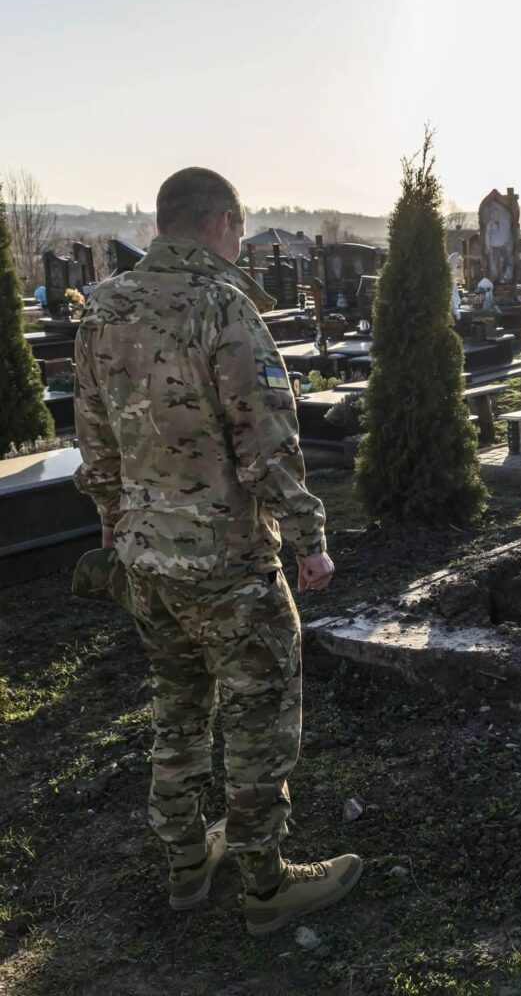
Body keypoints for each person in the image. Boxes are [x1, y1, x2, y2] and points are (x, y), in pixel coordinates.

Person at [73, 166, 362, 935]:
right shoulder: (222, 305)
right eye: (240, 229)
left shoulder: (103, 310)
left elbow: (95, 442)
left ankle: (184, 863)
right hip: (226, 561)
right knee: (260, 712)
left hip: (147, 561)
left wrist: (113, 523)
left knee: (178, 708)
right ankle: (265, 885)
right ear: (223, 223)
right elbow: (266, 441)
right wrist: (310, 540)